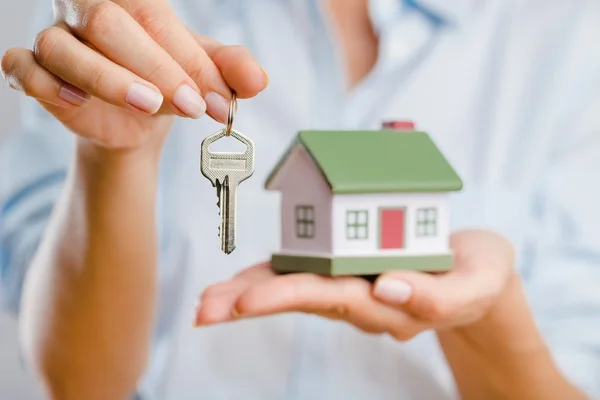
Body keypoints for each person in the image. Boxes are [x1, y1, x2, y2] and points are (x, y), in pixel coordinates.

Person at [1, 0, 599, 399]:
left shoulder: (567, 37)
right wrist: (117, 158)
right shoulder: (131, 15)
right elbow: (79, 383)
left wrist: (488, 321)